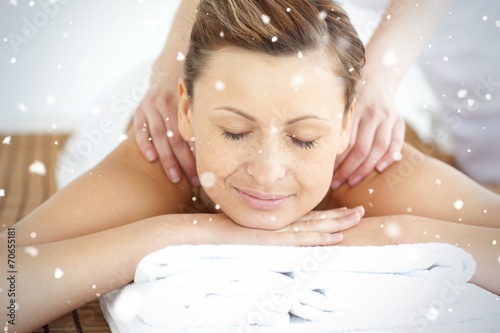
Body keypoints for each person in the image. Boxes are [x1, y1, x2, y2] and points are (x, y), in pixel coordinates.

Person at [1, 0, 499, 332]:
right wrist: (183, 233)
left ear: (345, 128)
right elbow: (8, 284)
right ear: (188, 113)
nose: (267, 171)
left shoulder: (362, 163)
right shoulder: (166, 157)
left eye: (304, 140)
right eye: (235, 133)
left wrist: (398, 232)